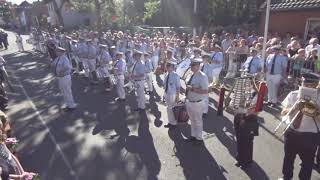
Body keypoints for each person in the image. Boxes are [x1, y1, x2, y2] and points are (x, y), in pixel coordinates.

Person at [279, 73, 320, 180]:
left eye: (309, 85)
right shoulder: (293, 94)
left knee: (307, 163)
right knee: (288, 158)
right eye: (304, 84)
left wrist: (315, 113)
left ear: (316, 85)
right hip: (292, 132)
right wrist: (294, 108)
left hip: (310, 135)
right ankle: (286, 177)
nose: (306, 87)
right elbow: (283, 112)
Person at [185, 58, 209, 144]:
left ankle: (199, 138)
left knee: (198, 121)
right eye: (191, 65)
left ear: (198, 66)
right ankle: (193, 135)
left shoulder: (202, 76)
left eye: (193, 65)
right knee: (192, 120)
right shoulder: (190, 74)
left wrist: (193, 89)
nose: (191, 67)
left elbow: (206, 91)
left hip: (197, 102)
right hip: (189, 101)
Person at [51, 47, 77, 111]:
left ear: (61, 52)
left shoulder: (64, 58)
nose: (56, 52)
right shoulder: (58, 58)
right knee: (63, 91)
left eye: (57, 51)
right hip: (60, 77)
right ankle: (68, 104)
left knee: (67, 91)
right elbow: (53, 64)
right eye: (56, 51)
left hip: (65, 77)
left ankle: (71, 106)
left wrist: (60, 72)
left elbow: (67, 67)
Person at [163, 60, 180, 129]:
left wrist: (177, 96)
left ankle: (174, 124)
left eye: (169, 66)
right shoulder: (166, 74)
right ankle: (170, 122)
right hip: (167, 93)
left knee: (172, 109)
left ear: (173, 67)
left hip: (172, 94)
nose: (167, 67)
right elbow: (165, 85)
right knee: (168, 108)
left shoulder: (176, 75)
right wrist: (164, 94)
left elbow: (178, 87)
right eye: (167, 66)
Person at [201, 52, 214, 118]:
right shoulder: (200, 65)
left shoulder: (209, 67)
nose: (204, 59)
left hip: (205, 84)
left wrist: (208, 85)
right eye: (204, 57)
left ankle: (204, 112)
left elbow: (211, 78)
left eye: (206, 58)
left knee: (205, 98)